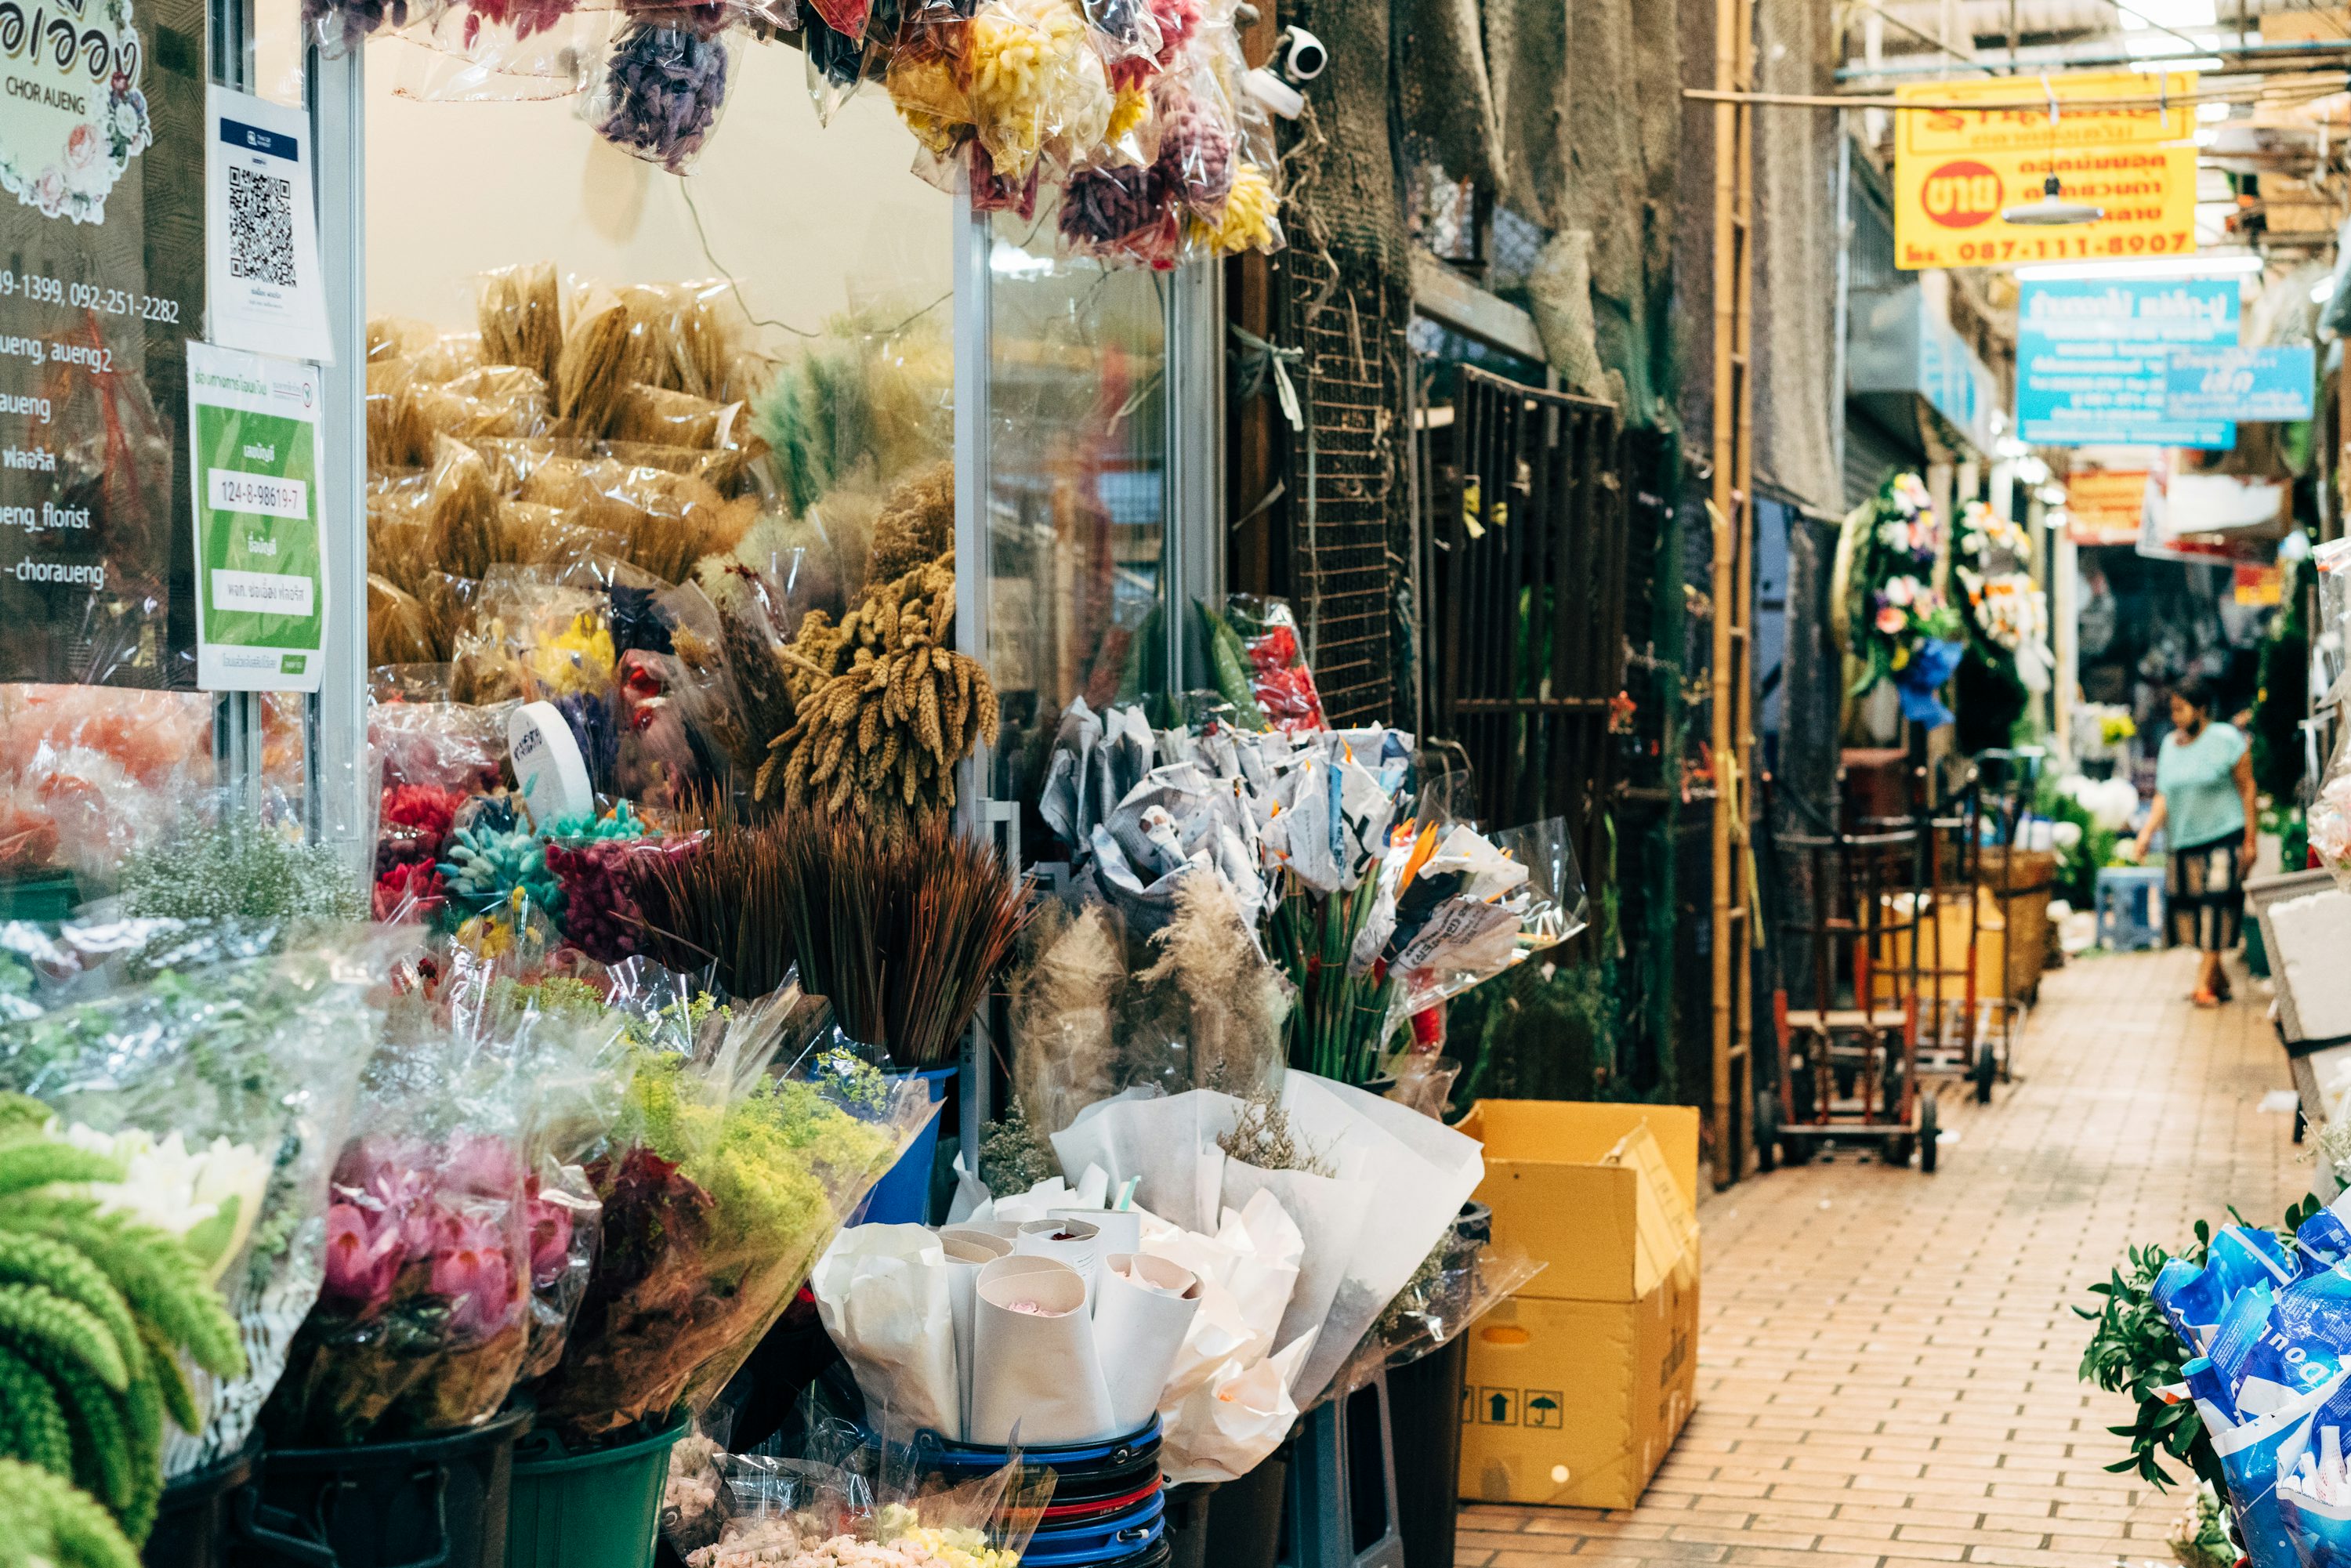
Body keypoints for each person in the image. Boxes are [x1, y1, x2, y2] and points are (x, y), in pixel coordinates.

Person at [2132, 674, 2258, 1007]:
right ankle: (2220, 979)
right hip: (2184, 841)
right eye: (2172, 711)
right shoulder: (2169, 747)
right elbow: (2163, 796)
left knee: (2217, 909)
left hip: (2224, 837)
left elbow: (2247, 788)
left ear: (2201, 709)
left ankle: (2203, 984)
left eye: (2181, 709)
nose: (2176, 717)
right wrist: (2146, 834)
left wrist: (2250, 839)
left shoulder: (2226, 738)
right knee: (2190, 915)